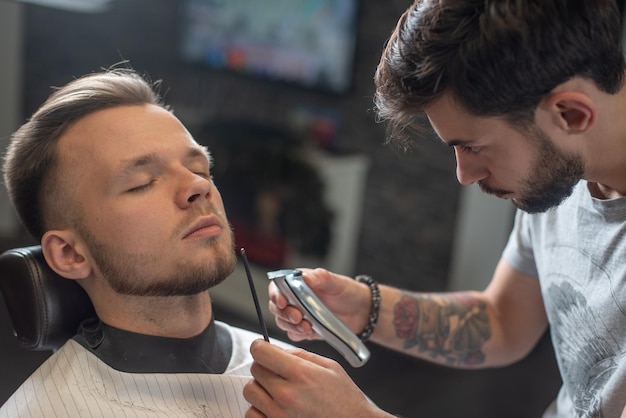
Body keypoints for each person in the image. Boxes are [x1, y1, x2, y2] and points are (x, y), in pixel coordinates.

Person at [242, 1, 626, 417]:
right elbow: (502, 321)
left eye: (475, 146)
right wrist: (364, 307)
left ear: (571, 113)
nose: (464, 173)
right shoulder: (563, 169)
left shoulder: (550, 165)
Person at [0, 68, 296, 417]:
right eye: (142, 183)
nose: (198, 188)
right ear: (70, 253)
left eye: (200, 169)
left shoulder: (304, 384)